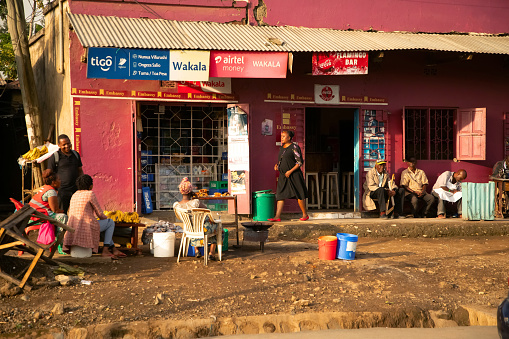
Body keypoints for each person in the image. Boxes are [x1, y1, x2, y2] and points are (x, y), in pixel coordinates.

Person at [63, 174, 126, 258]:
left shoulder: (74, 195)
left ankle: (114, 249)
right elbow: (100, 214)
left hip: (73, 226)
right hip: (86, 226)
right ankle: (106, 250)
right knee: (110, 223)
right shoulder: (90, 194)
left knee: (101, 225)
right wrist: (106, 217)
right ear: (90, 186)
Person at [173, 177, 218, 261]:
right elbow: (207, 210)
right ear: (191, 191)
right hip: (202, 230)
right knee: (218, 227)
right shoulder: (195, 202)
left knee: (194, 225)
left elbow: (179, 217)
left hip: (189, 229)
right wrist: (197, 198)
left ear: (180, 191)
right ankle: (211, 252)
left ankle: (196, 250)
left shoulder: (176, 205)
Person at [268, 130, 309, 222]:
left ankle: (305, 215)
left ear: (289, 138)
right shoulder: (282, 148)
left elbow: (299, 162)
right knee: (280, 195)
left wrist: (290, 171)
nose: (281, 138)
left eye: (284, 136)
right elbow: (282, 160)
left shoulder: (294, 147)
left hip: (294, 175)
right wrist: (277, 165)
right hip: (283, 175)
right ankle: (277, 216)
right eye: (281, 136)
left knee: (299, 194)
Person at [47, 134, 83, 213]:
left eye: (68, 143)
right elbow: (49, 174)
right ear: (59, 145)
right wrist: (54, 190)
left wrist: (82, 187)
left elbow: (80, 171)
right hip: (62, 191)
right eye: (64, 145)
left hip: (76, 190)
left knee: (77, 212)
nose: (67, 146)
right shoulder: (55, 157)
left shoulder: (76, 155)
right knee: (62, 213)